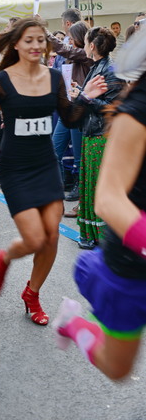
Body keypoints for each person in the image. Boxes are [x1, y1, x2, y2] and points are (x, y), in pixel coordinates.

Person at [0, 18, 107, 325]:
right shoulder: (1, 81)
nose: (35, 45)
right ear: (16, 44)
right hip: (16, 167)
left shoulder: (54, 77)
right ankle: (6, 257)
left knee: (51, 236)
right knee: (33, 238)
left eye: (40, 40)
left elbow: (69, 119)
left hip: (46, 165)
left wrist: (85, 97)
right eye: (28, 40)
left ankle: (32, 294)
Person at [53, 26, 146, 380]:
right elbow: (107, 198)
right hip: (132, 267)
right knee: (116, 367)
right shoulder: (138, 109)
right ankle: (74, 323)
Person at [71, 27, 124, 249]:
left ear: (92, 46)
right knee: (91, 185)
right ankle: (92, 234)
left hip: (102, 136)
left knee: (97, 186)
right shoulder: (99, 66)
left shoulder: (110, 70)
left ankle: (103, 237)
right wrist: (81, 94)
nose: (83, 46)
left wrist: (85, 97)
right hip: (93, 132)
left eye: (85, 42)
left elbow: (112, 108)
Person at [47, 20, 94, 206]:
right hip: (67, 108)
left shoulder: (85, 55)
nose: (69, 40)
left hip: (79, 110)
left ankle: (82, 197)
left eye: (71, 37)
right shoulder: (74, 56)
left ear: (81, 38)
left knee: (79, 157)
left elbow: (63, 49)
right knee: (54, 149)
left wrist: (44, 31)